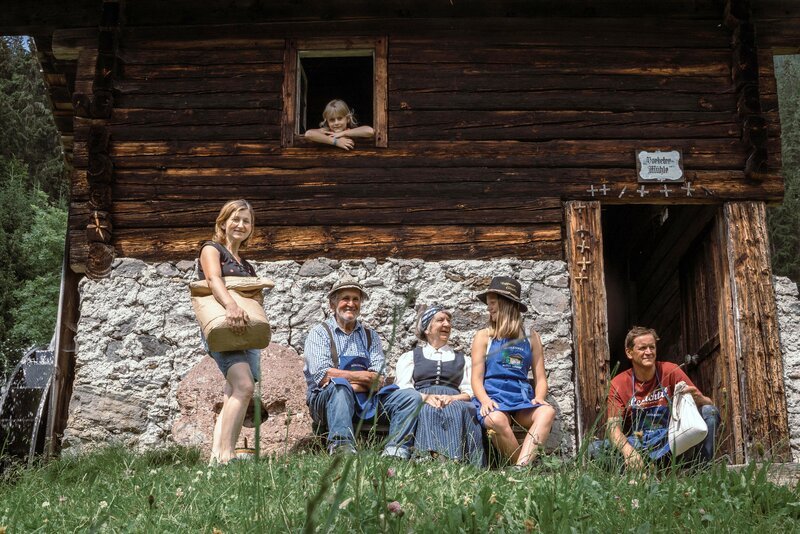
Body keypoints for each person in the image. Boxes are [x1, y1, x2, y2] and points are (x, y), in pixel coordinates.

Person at [303, 276, 422, 457]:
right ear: (332, 304)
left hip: (368, 400)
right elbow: (323, 376)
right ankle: (342, 448)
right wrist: (364, 378)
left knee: (410, 397)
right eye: (345, 298)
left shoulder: (370, 336)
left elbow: (378, 380)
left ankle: (396, 451)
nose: (351, 304)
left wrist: (351, 381)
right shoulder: (320, 333)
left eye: (356, 299)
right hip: (327, 402)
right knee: (339, 388)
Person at [598, 326, 720, 469]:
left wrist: (699, 399)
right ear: (629, 353)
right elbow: (613, 428)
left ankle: (702, 471)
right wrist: (628, 451)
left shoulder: (670, 370)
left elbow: (709, 404)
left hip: (672, 439)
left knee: (710, 412)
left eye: (652, 347)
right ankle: (641, 470)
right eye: (642, 348)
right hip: (639, 443)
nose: (649, 352)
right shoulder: (618, 383)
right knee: (594, 449)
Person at [198, 199, 262, 465]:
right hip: (224, 327)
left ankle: (217, 457)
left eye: (246, 221)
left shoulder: (246, 265)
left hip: (246, 331)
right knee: (244, 385)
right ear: (223, 223)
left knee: (233, 391)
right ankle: (227, 456)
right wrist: (232, 306)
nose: (241, 225)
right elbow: (213, 280)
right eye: (235, 219)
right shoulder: (211, 249)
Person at [471, 276, 556, 467]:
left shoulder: (531, 337)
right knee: (496, 420)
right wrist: (484, 400)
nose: (489, 308)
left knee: (547, 412)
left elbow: (540, 378)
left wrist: (539, 397)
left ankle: (519, 470)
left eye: (492, 303)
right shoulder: (483, 337)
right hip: (493, 398)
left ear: (506, 304)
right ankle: (523, 469)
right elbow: (476, 379)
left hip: (521, 401)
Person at [395, 305, 486, 466]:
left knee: (457, 409)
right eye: (440, 320)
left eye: (448, 321)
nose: (447, 324)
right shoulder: (411, 357)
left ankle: (457, 460)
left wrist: (453, 398)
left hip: (454, 398)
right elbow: (403, 386)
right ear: (427, 329)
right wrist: (424, 397)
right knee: (426, 409)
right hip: (421, 397)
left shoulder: (463, 359)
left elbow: (470, 390)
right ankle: (427, 458)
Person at [304, 99, 374, 150]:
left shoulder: (351, 130)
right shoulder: (327, 131)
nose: (336, 123)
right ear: (327, 122)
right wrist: (336, 142)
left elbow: (369, 131)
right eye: (332, 120)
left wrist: (343, 133)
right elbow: (309, 134)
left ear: (348, 119)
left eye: (340, 118)